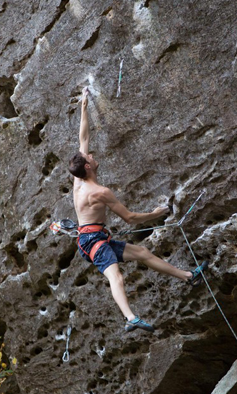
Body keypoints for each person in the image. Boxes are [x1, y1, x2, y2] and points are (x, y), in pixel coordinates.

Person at [68, 88, 208, 333]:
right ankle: (130, 318)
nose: (91, 153)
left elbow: (83, 138)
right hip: (92, 241)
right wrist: (156, 214)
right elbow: (130, 218)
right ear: (88, 166)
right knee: (116, 277)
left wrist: (84, 105)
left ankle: (188, 276)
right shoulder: (100, 192)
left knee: (142, 252)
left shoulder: (78, 180)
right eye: (90, 156)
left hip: (95, 237)